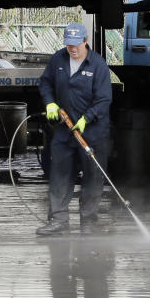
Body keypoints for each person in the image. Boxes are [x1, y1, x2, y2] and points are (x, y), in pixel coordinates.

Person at [36, 22, 112, 236]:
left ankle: (88, 222)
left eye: (76, 44)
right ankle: (58, 221)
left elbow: (104, 99)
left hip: (93, 133)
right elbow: (45, 83)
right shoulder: (58, 59)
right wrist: (50, 102)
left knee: (92, 177)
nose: (72, 49)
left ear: (85, 41)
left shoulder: (98, 65)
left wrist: (86, 119)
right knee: (59, 175)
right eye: (69, 44)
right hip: (63, 131)